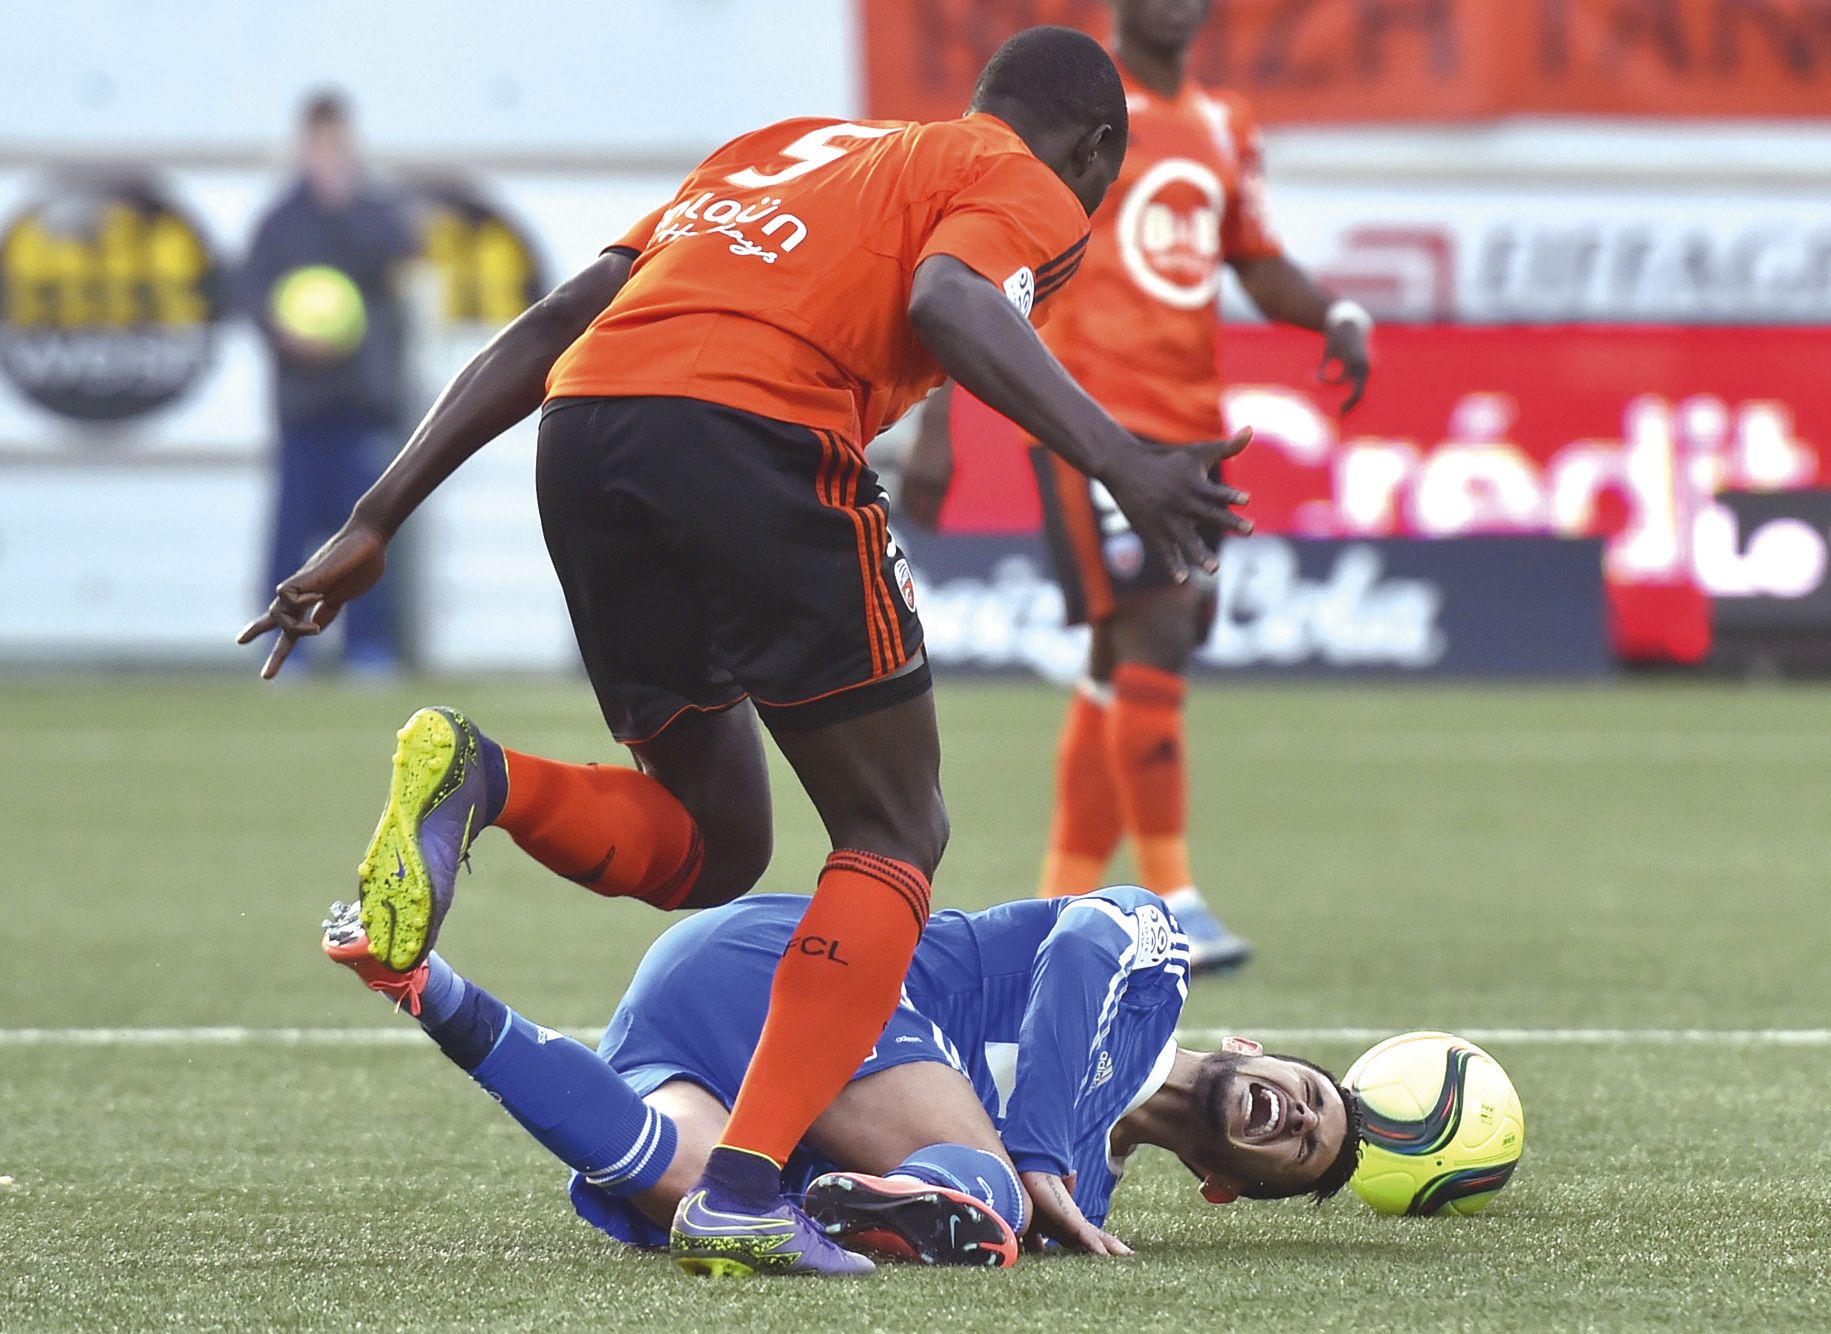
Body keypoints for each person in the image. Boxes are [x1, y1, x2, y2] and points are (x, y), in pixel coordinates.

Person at [240, 27, 1253, 1277]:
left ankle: (480, 778)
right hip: (757, 431)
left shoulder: (778, 152)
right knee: (894, 829)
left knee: (713, 841)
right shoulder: (1031, 184)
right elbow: (951, 296)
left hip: (592, 430)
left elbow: (563, 315)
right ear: (1096, 151)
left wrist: (373, 518)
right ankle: (740, 1183)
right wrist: (1123, 459)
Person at [902, 0, 1373, 972]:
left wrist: (1334, 312)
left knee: (1131, 653)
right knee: (1156, 626)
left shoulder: (1222, 122)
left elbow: (1251, 255)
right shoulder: (1071, 112)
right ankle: (1173, 897)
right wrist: (937, 420)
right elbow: (972, 267)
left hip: (1191, 414)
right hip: (1095, 419)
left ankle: (1055, 906)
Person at [320, 882, 1363, 1267]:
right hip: (810, 962)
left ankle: (424, 983)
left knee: (684, 1178)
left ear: (1231, 1186)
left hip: (710, 1042)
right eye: (1308, 1092)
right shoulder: (1156, 963)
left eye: (1298, 1148)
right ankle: (871, 1195)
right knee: (992, 1187)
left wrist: (1051, 1178)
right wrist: (1036, 1153)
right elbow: (1083, 941)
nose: (1292, 1116)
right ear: (1247, 1046)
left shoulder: (1086, 1199)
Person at [240, 91, 420, 675]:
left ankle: (369, 649)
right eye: (318, 146)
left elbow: (401, 264)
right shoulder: (280, 220)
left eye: (337, 145)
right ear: (303, 147)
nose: (328, 156)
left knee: (365, 538)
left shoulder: (376, 212)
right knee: (291, 534)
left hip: (364, 405)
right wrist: (288, 336)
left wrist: (344, 205)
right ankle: (283, 647)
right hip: (303, 407)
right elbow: (251, 296)